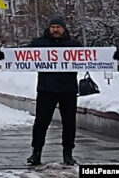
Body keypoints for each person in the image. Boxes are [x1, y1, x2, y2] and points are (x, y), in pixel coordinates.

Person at [25, 14, 82, 166]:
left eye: (58, 27)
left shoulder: (74, 44)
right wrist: (5, 56)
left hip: (68, 89)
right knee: (41, 123)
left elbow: (90, 59)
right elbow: (21, 57)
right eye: (53, 27)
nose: (55, 30)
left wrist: (111, 56)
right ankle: (36, 153)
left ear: (64, 28)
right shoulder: (39, 43)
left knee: (69, 123)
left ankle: (68, 154)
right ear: (49, 28)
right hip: (46, 89)